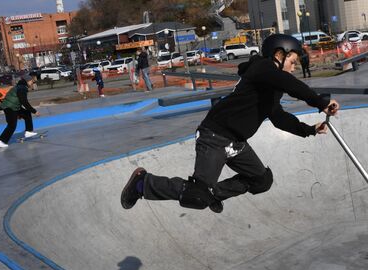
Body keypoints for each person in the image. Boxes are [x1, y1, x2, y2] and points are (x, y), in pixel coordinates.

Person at [121, 34, 340, 213]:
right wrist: (319, 102)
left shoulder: (271, 86)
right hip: (214, 136)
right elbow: (290, 83)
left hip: (236, 143)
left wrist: (309, 129)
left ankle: (212, 193)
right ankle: (143, 183)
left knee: (261, 180)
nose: (293, 68)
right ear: (279, 55)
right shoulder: (262, 68)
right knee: (197, 197)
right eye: (292, 62)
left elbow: (279, 117)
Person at [0, 74, 40, 148]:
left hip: (13, 106)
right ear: (27, 81)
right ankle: (1, 141)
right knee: (12, 125)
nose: (32, 83)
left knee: (26, 113)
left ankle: (28, 131)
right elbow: (24, 102)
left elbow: (19, 100)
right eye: (31, 81)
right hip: (10, 107)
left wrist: (20, 113)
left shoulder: (20, 86)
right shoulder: (22, 88)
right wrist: (34, 111)